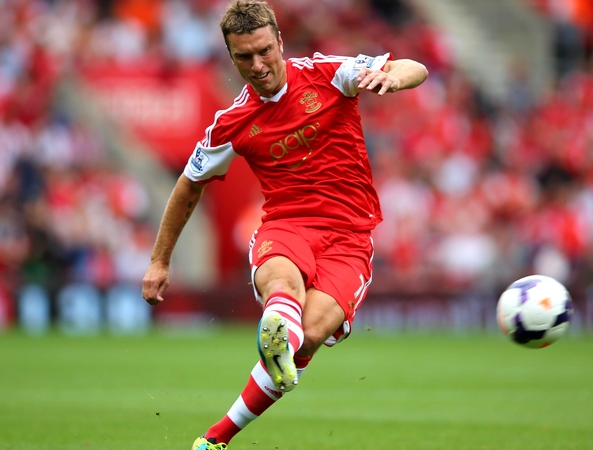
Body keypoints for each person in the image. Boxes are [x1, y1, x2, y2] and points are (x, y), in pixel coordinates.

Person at [140, 1, 428, 449]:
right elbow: (187, 186)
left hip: (350, 236)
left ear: (279, 42)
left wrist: (391, 78)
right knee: (282, 285)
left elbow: (416, 67)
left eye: (263, 52)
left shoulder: (329, 73)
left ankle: (218, 434)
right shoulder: (231, 123)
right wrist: (159, 261)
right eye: (243, 58)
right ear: (230, 57)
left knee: (308, 336)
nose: (257, 65)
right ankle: (275, 325)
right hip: (286, 224)